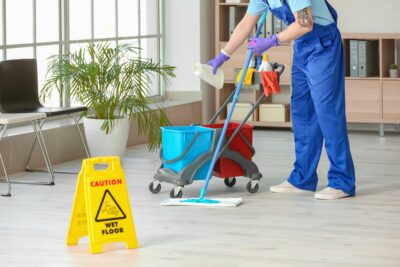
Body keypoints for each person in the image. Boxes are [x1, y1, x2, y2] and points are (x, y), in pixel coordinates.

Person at [208, 0, 355, 200]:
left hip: (324, 44)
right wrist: (222, 56)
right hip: (302, 46)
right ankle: (302, 179)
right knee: (302, 113)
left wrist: (271, 41)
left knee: (327, 112)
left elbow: (305, 23)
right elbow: (245, 24)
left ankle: (342, 181)